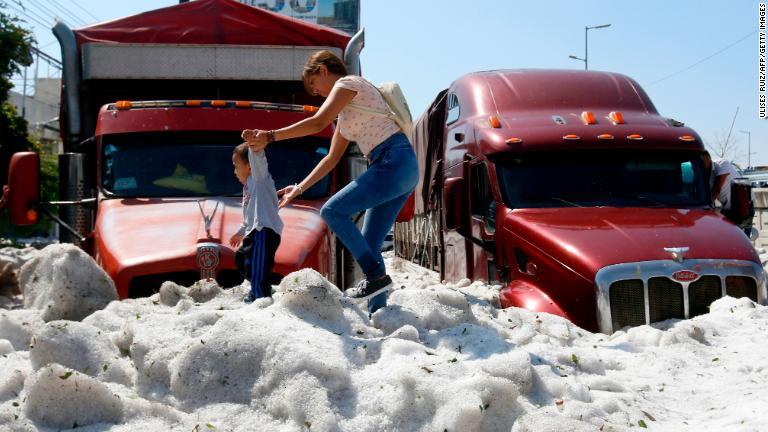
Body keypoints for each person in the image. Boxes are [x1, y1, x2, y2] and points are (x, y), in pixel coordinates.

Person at [242, 50, 418, 313]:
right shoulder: (346, 117)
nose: (317, 94)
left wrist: (270, 135)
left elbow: (317, 123)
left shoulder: (348, 84)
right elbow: (331, 159)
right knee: (370, 245)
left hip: (393, 161)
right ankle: (379, 313)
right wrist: (300, 187)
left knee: (332, 211)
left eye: (314, 85)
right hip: (400, 167)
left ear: (323, 70)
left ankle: (377, 277)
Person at [230, 143, 283, 303]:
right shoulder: (248, 187)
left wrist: (255, 145)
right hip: (253, 231)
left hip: (264, 231)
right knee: (241, 258)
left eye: (236, 166)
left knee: (257, 265)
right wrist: (240, 232)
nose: (235, 171)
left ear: (250, 167)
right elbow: (248, 217)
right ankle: (263, 286)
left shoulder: (259, 179)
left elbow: (258, 160)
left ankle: (260, 296)